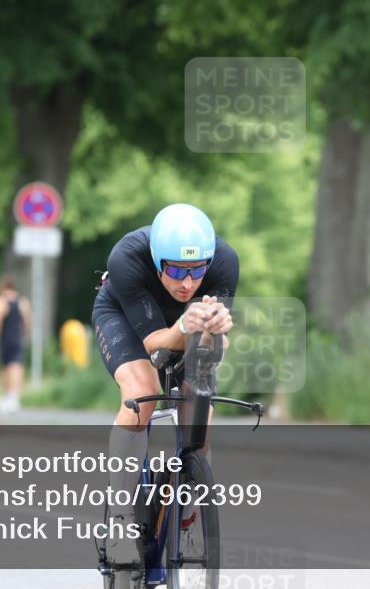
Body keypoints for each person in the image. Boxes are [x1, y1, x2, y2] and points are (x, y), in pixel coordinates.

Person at [93, 203, 238, 567]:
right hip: (127, 318)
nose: (187, 282)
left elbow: (213, 350)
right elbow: (155, 342)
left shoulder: (224, 262)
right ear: (158, 261)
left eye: (196, 270)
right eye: (175, 270)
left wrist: (217, 332)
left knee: (198, 409)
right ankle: (121, 519)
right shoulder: (128, 257)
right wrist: (187, 326)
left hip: (183, 323)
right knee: (142, 394)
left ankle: (189, 506)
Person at [0, 274, 32, 414]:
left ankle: (8, 395)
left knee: (5, 367)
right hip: (17, 337)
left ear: (2, 286)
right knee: (17, 366)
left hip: (4, 338)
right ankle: (15, 396)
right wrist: (25, 334)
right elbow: (28, 321)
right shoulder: (22, 301)